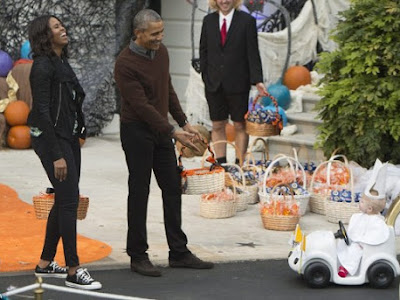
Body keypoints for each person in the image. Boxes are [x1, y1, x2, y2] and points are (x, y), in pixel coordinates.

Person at [114, 9, 214, 277]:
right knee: (140, 191)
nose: (160, 37)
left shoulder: (162, 53)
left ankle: (179, 252)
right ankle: (137, 255)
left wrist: (184, 122)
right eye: (155, 33)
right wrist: (173, 131)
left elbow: (166, 89)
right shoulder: (124, 63)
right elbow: (141, 106)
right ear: (138, 34)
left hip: (162, 131)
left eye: (162, 31)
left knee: (172, 187)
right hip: (136, 131)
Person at [28, 15, 101, 290]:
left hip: (67, 137)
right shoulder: (42, 67)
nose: (63, 29)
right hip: (51, 140)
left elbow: (71, 100)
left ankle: (45, 264)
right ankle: (73, 269)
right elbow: (43, 113)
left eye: (62, 25)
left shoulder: (60, 62)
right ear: (46, 35)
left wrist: (79, 130)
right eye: (56, 27)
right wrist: (57, 154)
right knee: (69, 200)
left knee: (64, 199)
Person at [200, 0, 266, 164]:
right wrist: (205, 75)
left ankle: (239, 164)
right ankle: (221, 164)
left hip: (238, 83)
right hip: (214, 84)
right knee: (217, 125)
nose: (224, 1)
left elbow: (253, 52)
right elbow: (203, 51)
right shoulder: (208, 21)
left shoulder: (247, 21)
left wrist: (257, 80)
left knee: (239, 125)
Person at [337, 159, 389, 277]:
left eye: (361, 202)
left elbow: (374, 236)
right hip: (355, 241)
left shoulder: (377, 222)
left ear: (369, 208)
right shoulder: (360, 216)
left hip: (365, 247)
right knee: (340, 244)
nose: (358, 203)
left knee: (355, 251)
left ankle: (346, 268)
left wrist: (361, 243)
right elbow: (355, 230)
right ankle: (339, 260)